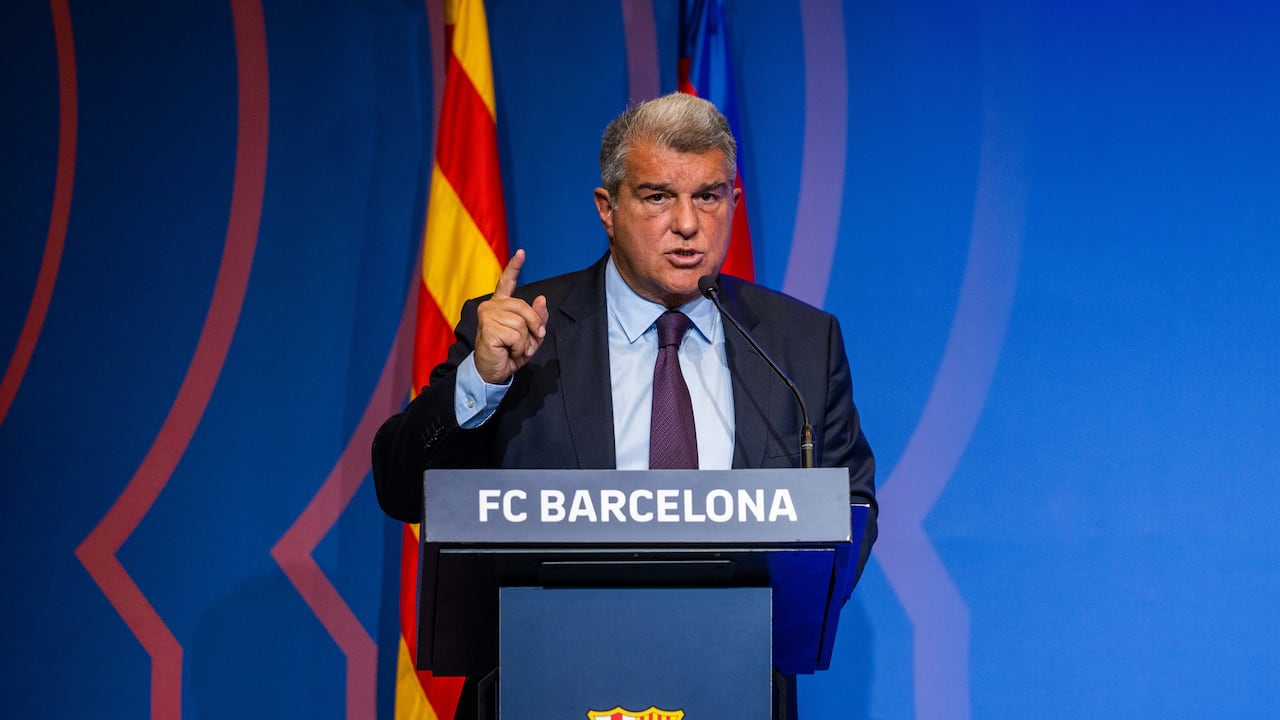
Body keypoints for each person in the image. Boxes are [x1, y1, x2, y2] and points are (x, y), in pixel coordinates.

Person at [372, 92, 876, 719]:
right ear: (608, 208)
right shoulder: (524, 329)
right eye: (659, 196)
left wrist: (777, 614)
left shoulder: (799, 342)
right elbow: (398, 486)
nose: (688, 224)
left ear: (734, 203)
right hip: (545, 686)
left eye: (709, 196)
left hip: (733, 686)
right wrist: (480, 381)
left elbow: (851, 506)